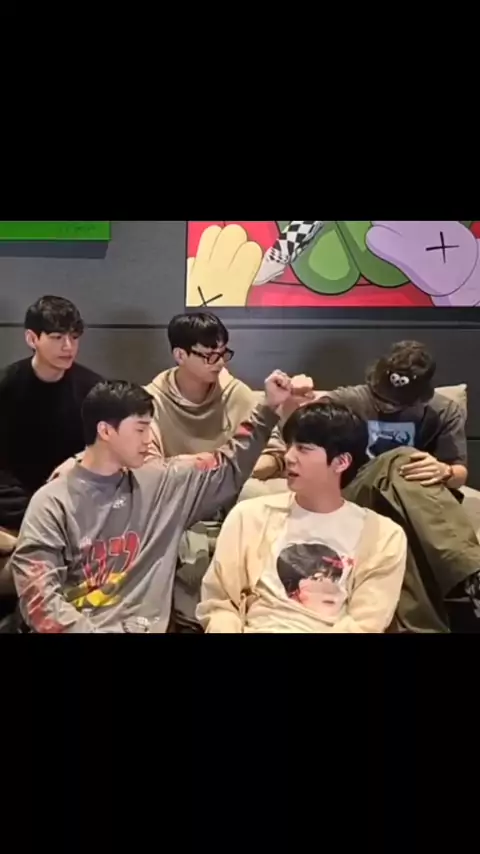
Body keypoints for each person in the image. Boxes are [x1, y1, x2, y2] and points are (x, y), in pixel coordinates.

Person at [9, 371, 312, 633]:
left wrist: (268, 408)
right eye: (140, 429)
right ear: (105, 431)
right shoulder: (52, 502)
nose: (148, 440)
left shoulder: (162, 482)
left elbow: (229, 464)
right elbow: (39, 599)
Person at [271, 340, 480, 633]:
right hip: (358, 494)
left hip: (416, 510)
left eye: (398, 403)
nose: (388, 406)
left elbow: (460, 473)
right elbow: (298, 430)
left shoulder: (444, 411)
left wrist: (445, 471)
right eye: (383, 398)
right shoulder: (350, 400)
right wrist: (292, 401)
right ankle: (474, 572)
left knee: (403, 536)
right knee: (402, 457)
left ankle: (427, 624)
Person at [196, 400, 407, 633]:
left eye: (303, 449)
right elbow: (220, 603)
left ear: (341, 462)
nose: (289, 457)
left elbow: (365, 624)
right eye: (289, 446)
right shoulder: (249, 516)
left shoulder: (383, 536)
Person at [143, 312, 286, 631]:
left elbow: (275, 455)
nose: (219, 363)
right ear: (180, 355)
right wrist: (204, 470)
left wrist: (234, 471)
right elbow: (149, 467)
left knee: (256, 495)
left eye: (223, 353)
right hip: (181, 496)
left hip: (233, 491)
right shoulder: (152, 401)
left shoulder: (236, 393)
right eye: (209, 355)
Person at [0, 295, 102, 624]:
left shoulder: (92, 389)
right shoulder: (6, 385)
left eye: (74, 337)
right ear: (32, 338)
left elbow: (108, 449)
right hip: (13, 502)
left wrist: (79, 458)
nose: (68, 347)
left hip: (71, 500)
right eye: (57, 337)